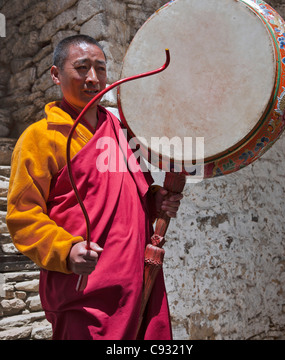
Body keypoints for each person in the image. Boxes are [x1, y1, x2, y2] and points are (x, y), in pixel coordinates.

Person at [6, 35, 183, 340]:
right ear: (55, 74)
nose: (93, 78)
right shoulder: (39, 138)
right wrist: (67, 249)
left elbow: (133, 191)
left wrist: (157, 201)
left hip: (140, 280)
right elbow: (23, 217)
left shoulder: (121, 130)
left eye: (100, 69)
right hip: (85, 291)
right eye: (81, 68)